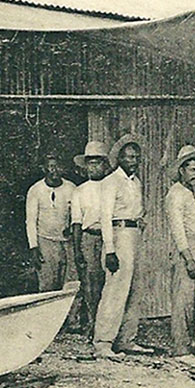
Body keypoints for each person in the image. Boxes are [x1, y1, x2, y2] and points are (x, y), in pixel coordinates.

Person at [93, 135, 154, 357]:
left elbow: (137, 210)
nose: (133, 161)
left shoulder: (136, 182)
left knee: (135, 289)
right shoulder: (111, 181)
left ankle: (126, 339)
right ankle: (103, 342)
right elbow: (105, 216)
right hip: (118, 236)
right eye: (128, 157)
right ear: (119, 158)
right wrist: (110, 249)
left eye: (136, 157)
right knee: (115, 289)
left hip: (134, 235)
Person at [165, 145, 195, 358]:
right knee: (183, 299)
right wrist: (188, 258)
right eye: (192, 170)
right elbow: (178, 228)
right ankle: (180, 347)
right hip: (188, 249)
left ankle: (194, 343)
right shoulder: (176, 193)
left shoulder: (191, 193)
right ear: (181, 171)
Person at [71, 141, 110, 342]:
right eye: (90, 163)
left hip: (110, 237)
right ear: (85, 167)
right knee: (91, 284)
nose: (94, 167)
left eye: (98, 163)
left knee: (110, 283)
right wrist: (77, 250)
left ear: (105, 165)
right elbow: (76, 222)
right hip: (89, 238)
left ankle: (108, 328)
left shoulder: (112, 187)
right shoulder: (79, 191)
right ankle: (93, 325)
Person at [25, 154, 76, 292]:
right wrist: (34, 248)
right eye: (51, 167)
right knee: (47, 286)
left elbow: (77, 215)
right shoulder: (35, 190)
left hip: (67, 244)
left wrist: (71, 227)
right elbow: (30, 221)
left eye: (58, 166)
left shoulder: (71, 188)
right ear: (44, 169)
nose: (55, 170)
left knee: (70, 285)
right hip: (46, 243)